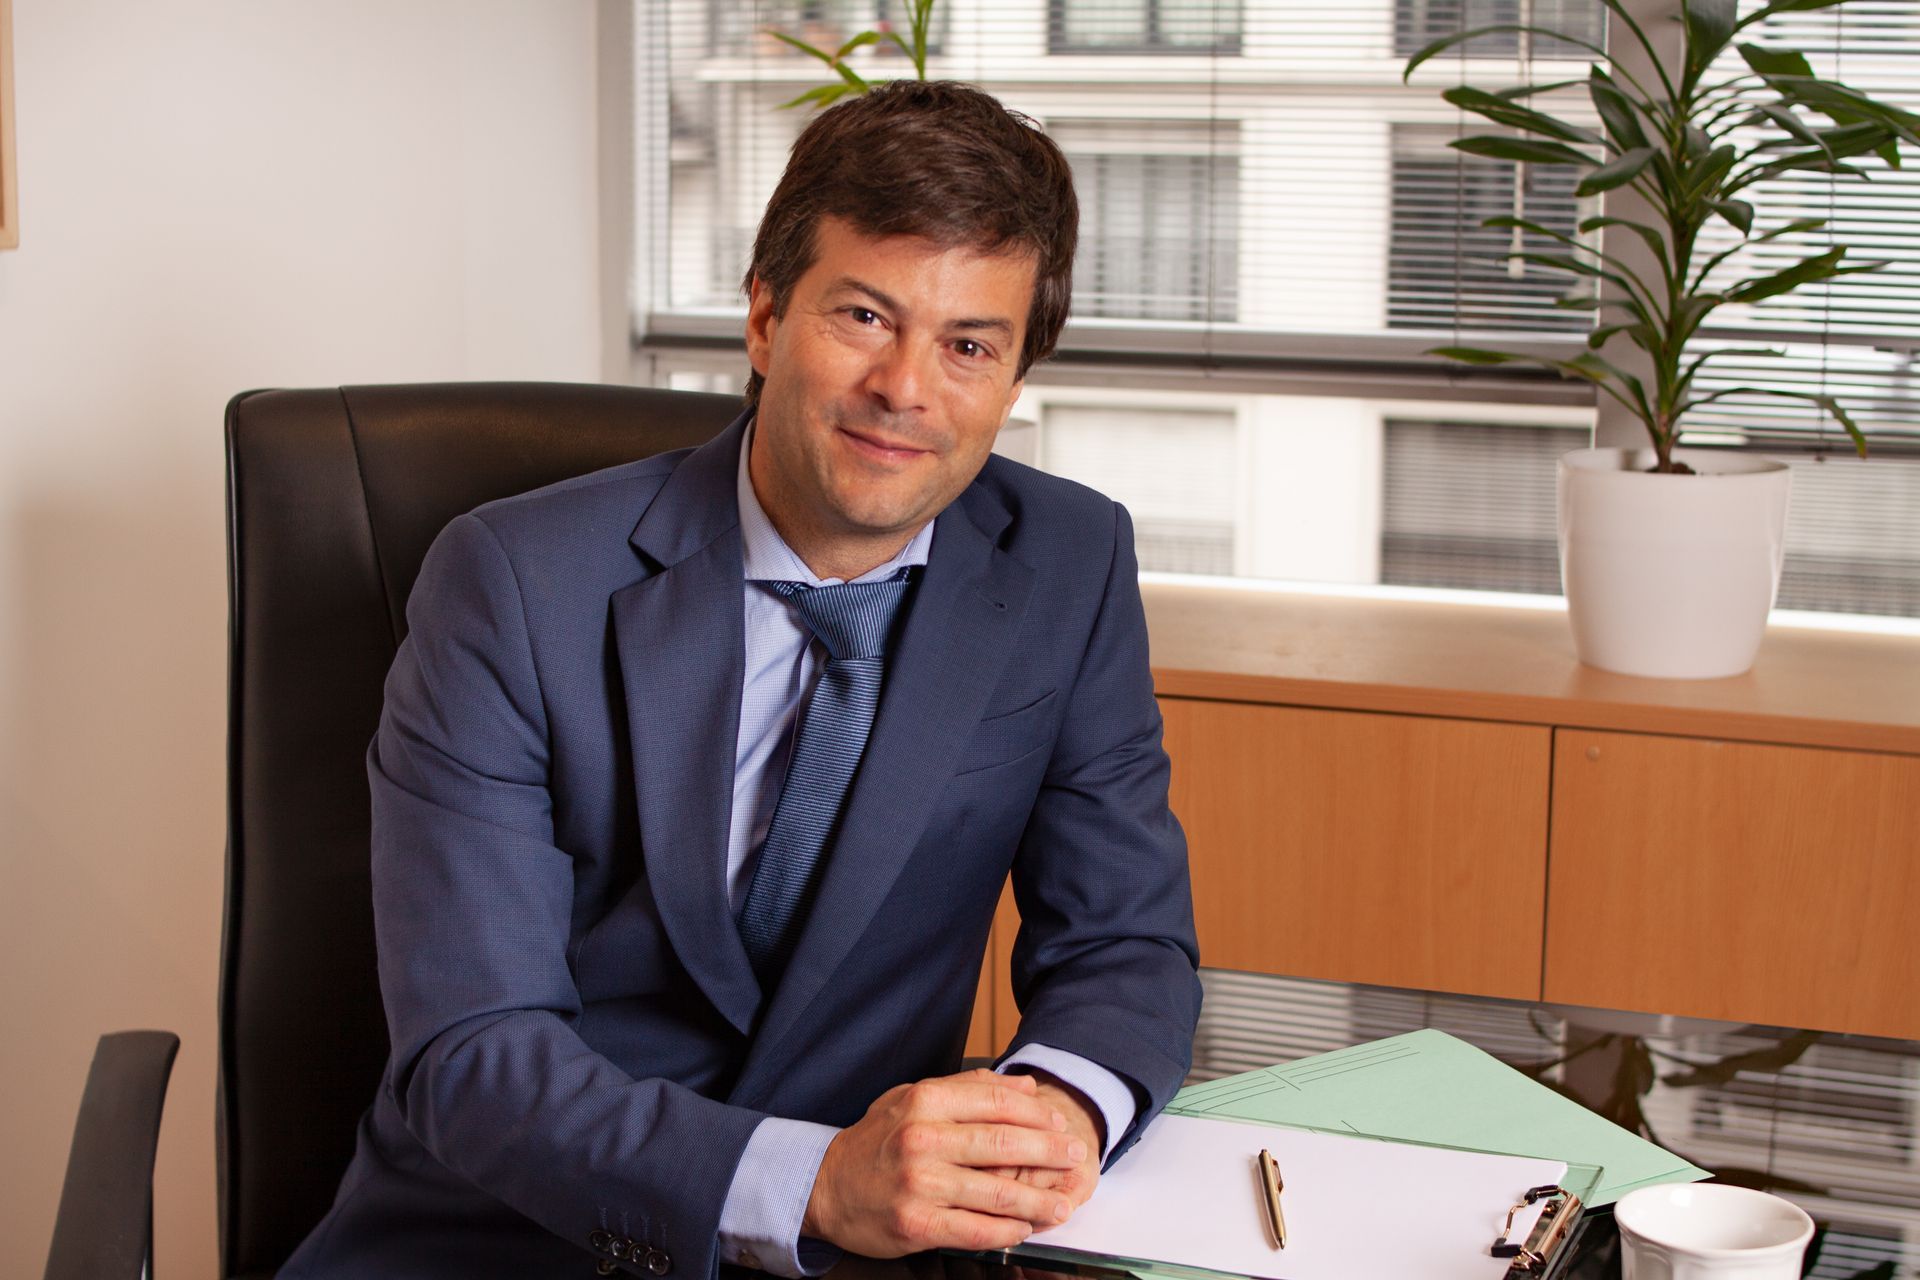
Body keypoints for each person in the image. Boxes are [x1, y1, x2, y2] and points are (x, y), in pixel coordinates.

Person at [281, 80, 1201, 1280]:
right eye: (865, 316)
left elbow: (1123, 944)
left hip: (874, 1255)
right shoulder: (509, 579)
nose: (908, 389)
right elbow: (477, 1049)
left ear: (1014, 377)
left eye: (969, 344)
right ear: (764, 318)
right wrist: (811, 1179)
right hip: (511, 1238)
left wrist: (1056, 1109)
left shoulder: (1068, 564)